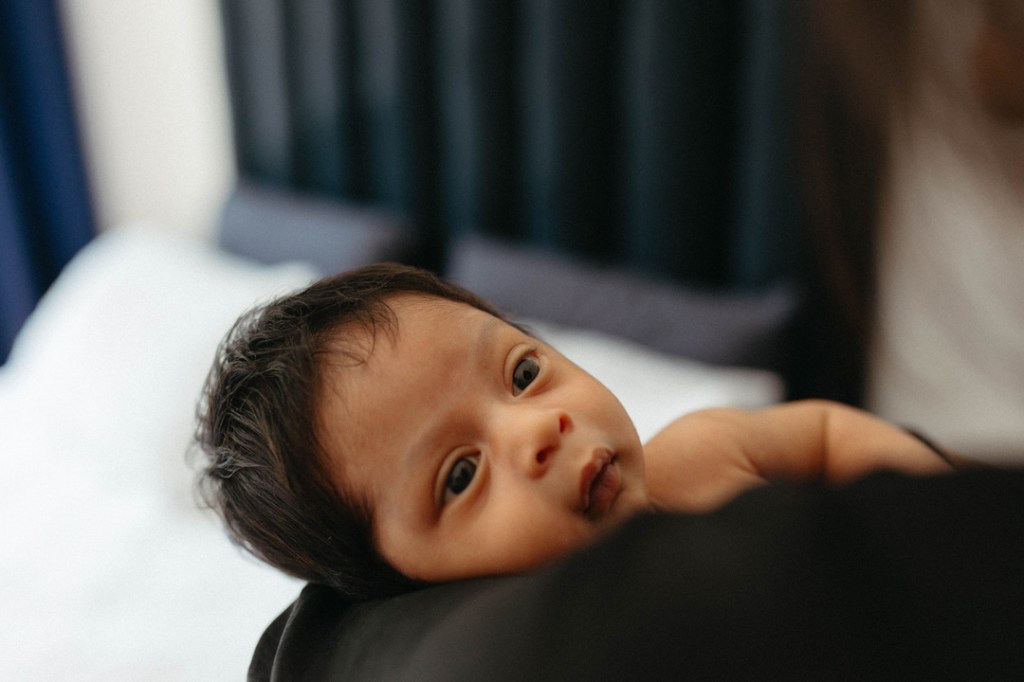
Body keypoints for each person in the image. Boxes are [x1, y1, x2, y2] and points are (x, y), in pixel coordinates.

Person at [194, 263, 954, 600]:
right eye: (460, 475)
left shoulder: (700, 452)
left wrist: (930, 502)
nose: (538, 431)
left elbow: (821, 433)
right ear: (397, 585)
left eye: (523, 374)